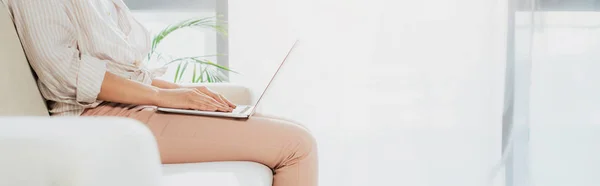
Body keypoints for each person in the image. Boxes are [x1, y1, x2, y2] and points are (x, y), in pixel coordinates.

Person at [4, 0, 318, 186]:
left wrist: (185, 93)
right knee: (296, 145)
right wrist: (164, 97)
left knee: (296, 132)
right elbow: (64, 71)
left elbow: (128, 70)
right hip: (95, 119)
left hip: (129, 108)